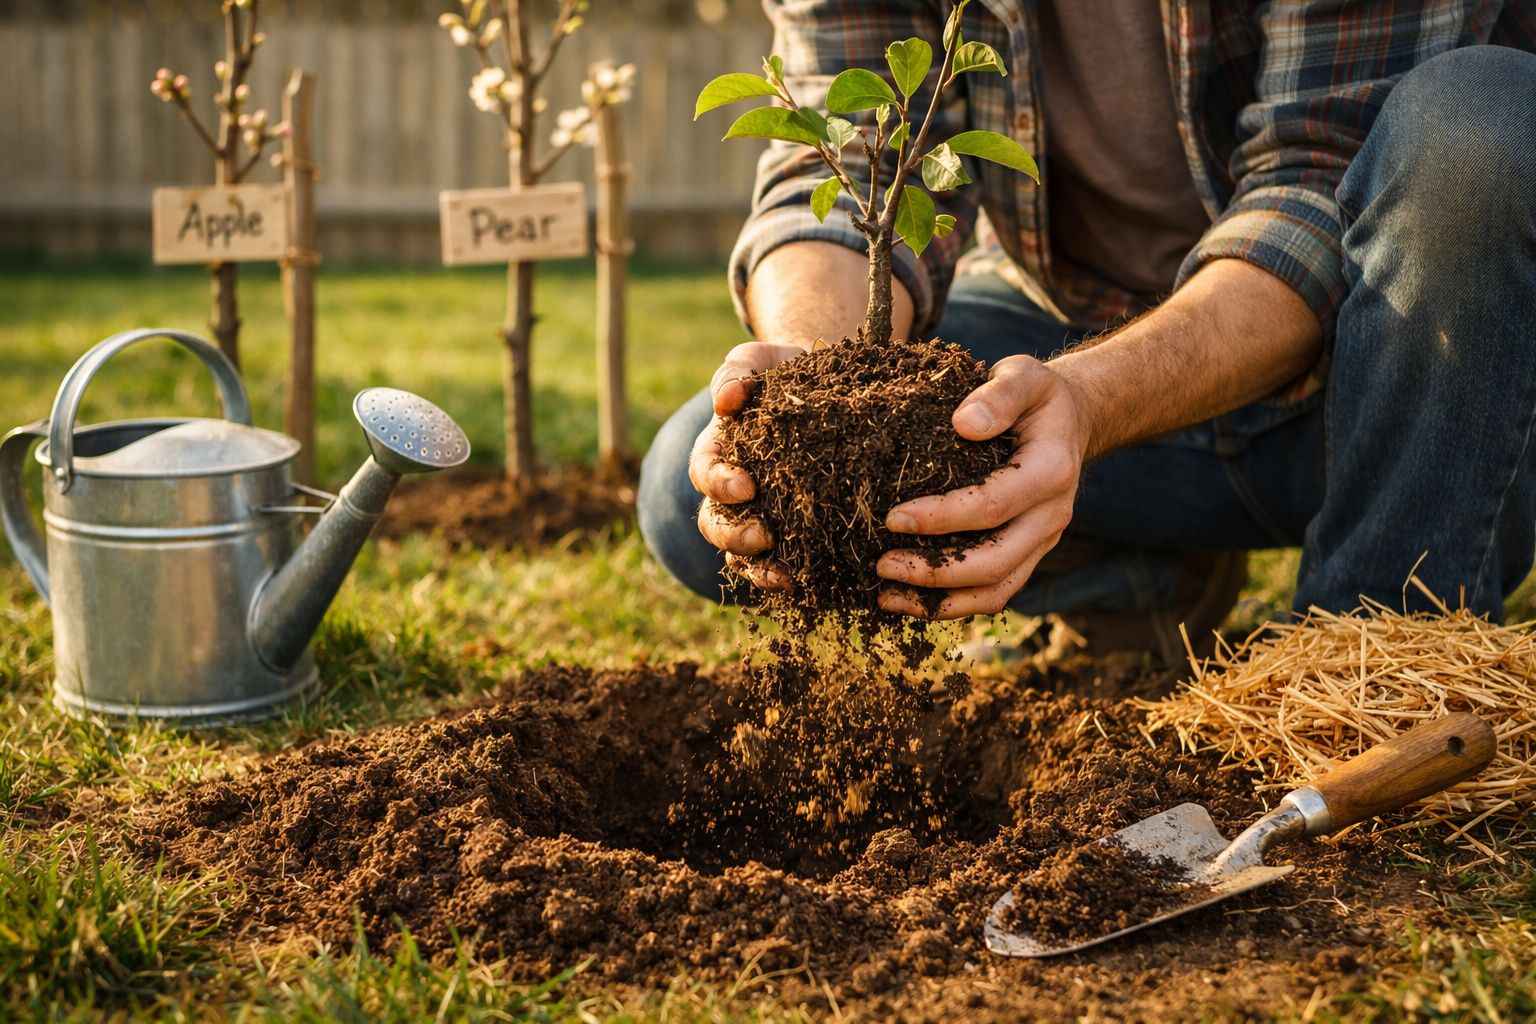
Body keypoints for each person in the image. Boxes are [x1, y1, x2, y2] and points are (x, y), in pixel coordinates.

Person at [639, 0, 1536, 661]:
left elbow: (1319, 187)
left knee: (1481, 125)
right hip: (1088, 337)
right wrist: (809, 378)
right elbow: (841, 150)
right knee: (721, 487)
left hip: (1414, 378)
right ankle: (1134, 582)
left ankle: (1378, 650)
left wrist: (1089, 402)